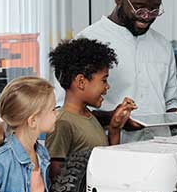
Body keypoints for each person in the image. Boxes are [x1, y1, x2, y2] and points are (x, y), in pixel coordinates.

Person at [67, 0, 177, 143]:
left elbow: (171, 102)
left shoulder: (162, 45)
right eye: (139, 8)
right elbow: (66, 109)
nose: (146, 17)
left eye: (154, 9)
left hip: (160, 148)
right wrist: (113, 118)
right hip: (113, 150)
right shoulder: (87, 42)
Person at [46, 38, 136, 180]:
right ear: (81, 82)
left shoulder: (88, 116)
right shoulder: (62, 123)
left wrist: (115, 129)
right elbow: (57, 181)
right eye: (104, 80)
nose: (107, 87)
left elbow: (108, 163)